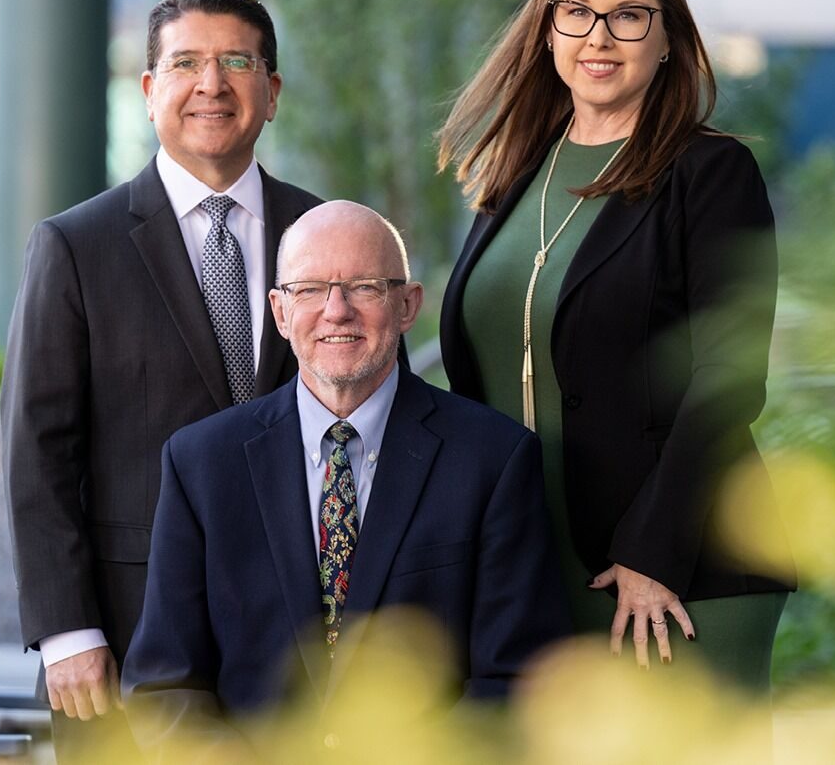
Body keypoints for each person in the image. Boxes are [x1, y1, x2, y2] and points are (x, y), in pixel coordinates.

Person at [436, 0, 797, 695]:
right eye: (577, 12)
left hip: (673, 573)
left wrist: (652, 553)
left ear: (668, 39)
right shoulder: (514, 174)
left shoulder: (710, 173)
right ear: (548, 30)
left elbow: (729, 378)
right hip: (530, 563)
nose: (599, 37)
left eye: (629, 16)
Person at [121, 201, 570, 755]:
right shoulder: (201, 464)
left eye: (364, 287)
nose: (336, 311)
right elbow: (164, 687)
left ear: (407, 305)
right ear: (280, 311)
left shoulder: (494, 459)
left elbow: (516, 682)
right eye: (309, 289)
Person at [2, 0, 322, 760]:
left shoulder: (323, 234)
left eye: (237, 62)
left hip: (303, 637)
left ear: (272, 92)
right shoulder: (76, 246)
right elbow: (37, 448)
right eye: (185, 64)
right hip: (127, 637)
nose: (212, 84)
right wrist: (67, 631)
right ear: (149, 92)